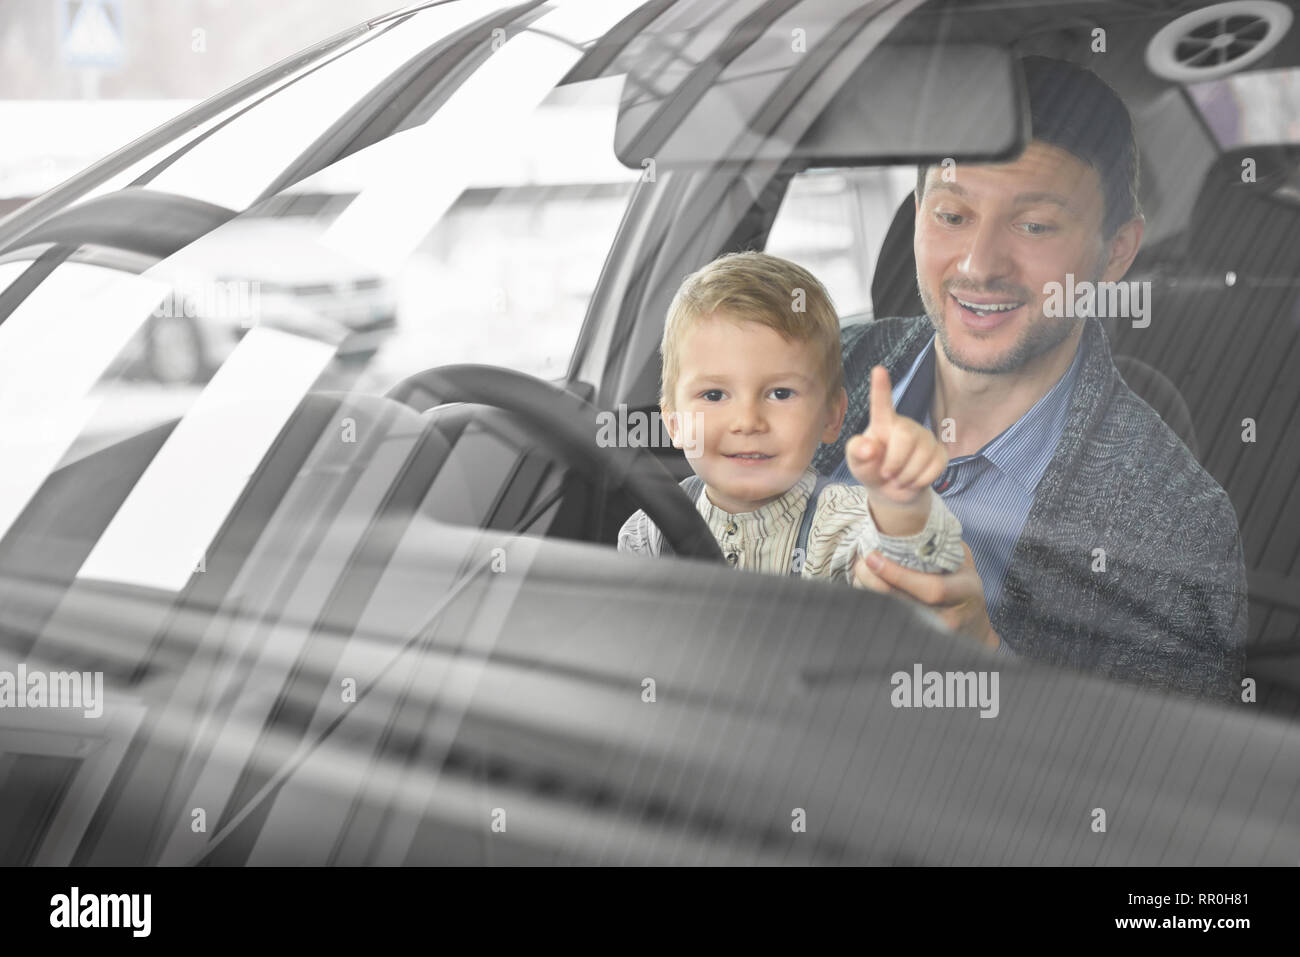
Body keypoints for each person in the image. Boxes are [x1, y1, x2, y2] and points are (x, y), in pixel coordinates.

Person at [812, 56, 1247, 700]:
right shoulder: (815, 369)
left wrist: (989, 658)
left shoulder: (1180, 527)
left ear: (1116, 254)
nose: (978, 265)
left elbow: (1172, 781)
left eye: (1035, 225)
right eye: (952, 216)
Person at [618, 251, 964, 581]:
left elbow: (917, 568)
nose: (748, 421)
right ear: (675, 423)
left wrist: (902, 507)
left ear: (831, 417)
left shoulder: (843, 526)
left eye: (780, 394)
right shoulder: (649, 532)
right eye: (714, 395)